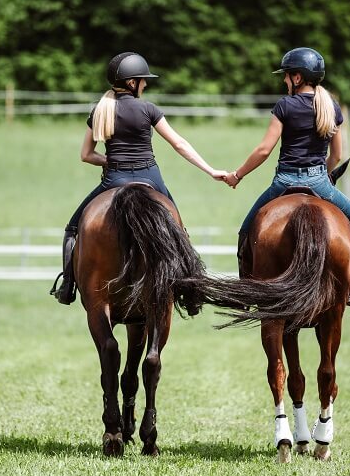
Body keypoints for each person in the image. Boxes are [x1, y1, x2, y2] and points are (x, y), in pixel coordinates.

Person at [51, 51, 227, 305]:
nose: (145, 84)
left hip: (114, 180)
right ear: (132, 83)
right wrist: (211, 171)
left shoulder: (101, 111)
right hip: (150, 178)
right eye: (143, 80)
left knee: (73, 228)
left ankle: (68, 286)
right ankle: (190, 294)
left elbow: (86, 155)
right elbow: (178, 143)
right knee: (179, 232)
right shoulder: (148, 109)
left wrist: (111, 161)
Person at [223, 47, 350, 313]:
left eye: (286, 76)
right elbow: (337, 155)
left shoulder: (285, 106)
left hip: (284, 181)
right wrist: (324, 176)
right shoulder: (331, 108)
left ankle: (246, 290)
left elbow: (263, 150)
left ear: (298, 78)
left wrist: (237, 175)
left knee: (247, 229)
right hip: (319, 181)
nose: (284, 81)